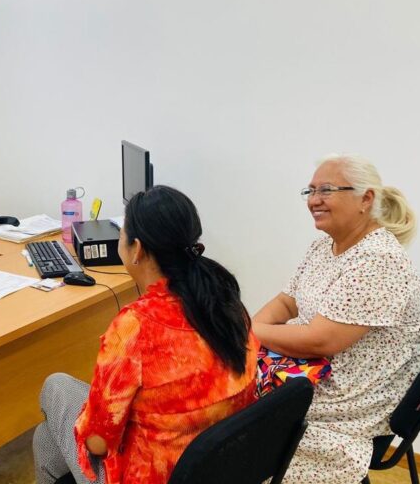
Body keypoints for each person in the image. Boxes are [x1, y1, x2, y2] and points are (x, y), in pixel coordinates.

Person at [34, 186, 259, 484]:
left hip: (151, 474)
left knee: (56, 386)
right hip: (216, 466)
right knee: (45, 436)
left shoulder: (136, 326)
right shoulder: (226, 302)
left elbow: (97, 443)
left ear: (136, 249)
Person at [252, 154, 420, 483]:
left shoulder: (379, 259)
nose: (314, 200)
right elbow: (286, 302)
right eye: (310, 191)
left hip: (354, 395)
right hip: (320, 371)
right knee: (230, 379)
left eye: (327, 190)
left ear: (366, 199)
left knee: (234, 412)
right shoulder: (324, 247)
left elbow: (321, 340)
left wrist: (248, 332)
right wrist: (249, 335)